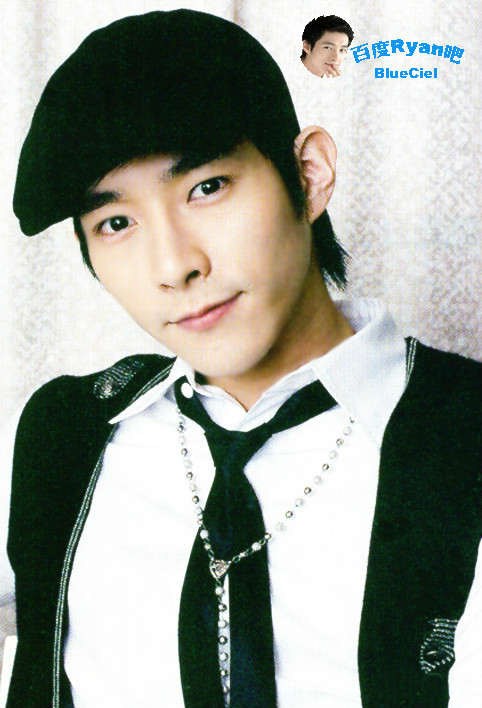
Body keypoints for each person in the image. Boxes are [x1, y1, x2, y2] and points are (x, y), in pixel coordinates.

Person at [5, 9, 482, 708]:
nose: (174, 264)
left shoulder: (464, 430)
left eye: (207, 187)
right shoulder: (65, 435)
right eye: (116, 222)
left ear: (309, 174)